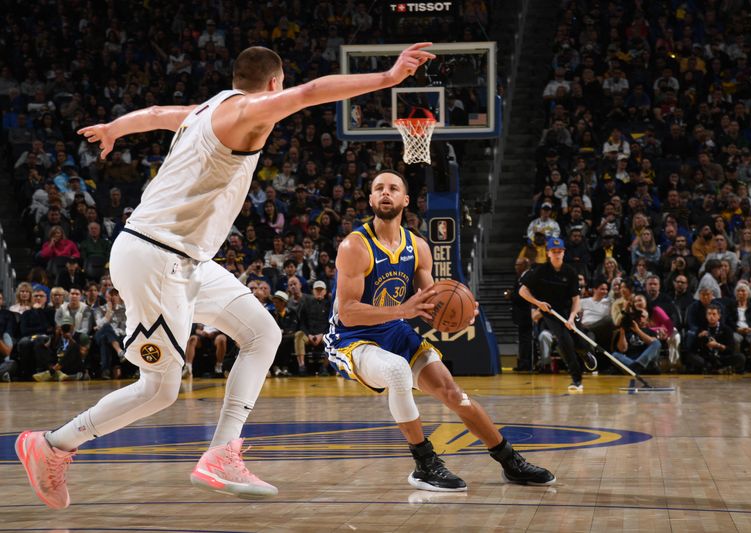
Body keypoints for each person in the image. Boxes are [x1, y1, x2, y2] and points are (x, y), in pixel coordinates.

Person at [16, 42, 437, 509]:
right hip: (157, 256)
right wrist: (388, 77)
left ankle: (222, 452)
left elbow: (157, 112)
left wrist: (116, 127)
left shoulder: (206, 108)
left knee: (263, 333)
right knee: (159, 388)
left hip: (185, 258)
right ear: (273, 83)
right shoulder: (249, 112)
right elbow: (313, 91)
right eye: (282, 87)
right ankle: (53, 444)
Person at [325, 171, 555, 492]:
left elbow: (434, 304)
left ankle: (509, 460)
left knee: (454, 394)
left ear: (406, 200)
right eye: (379, 188)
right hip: (353, 339)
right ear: (371, 199)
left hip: (394, 331)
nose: (385, 193)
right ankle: (424, 464)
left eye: (393, 188)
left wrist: (461, 312)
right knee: (396, 372)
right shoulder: (354, 246)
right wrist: (403, 311)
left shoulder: (418, 246)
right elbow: (347, 313)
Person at [519, 236, 595, 392]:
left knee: (579, 342)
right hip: (551, 313)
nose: (557, 254)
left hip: (569, 311)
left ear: (564, 252)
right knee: (565, 341)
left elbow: (576, 299)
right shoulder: (539, 271)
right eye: (554, 251)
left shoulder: (571, 272)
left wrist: (572, 318)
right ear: (548, 253)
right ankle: (576, 380)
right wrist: (538, 304)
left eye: (560, 251)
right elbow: (522, 291)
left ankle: (586, 354)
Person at [507, 257, 533, 371]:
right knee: (523, 340)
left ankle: (526, 363)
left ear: (525, 265)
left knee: (526, 340)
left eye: (518, 264)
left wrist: (511, 295)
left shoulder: (528, 277)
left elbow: (525, 297)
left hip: (526, 314)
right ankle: (523, 362)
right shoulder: (520, 277)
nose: (516, 267)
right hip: (522, 314)